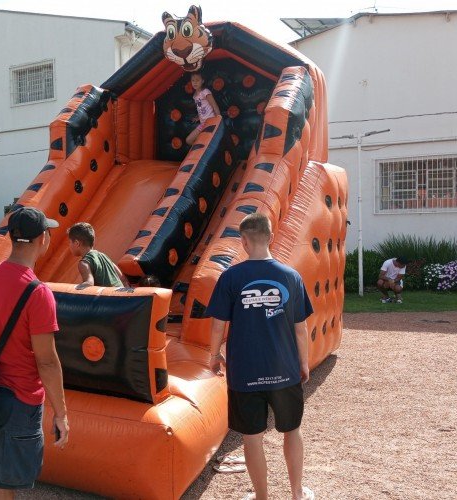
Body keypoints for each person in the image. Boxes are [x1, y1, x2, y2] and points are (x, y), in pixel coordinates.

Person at [206, 213, 315, 500]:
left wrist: (214, 354)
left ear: (243, 241)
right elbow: (300, 329)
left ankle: (262, 497)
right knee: (292, 431)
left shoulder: (230, 277)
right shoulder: (291, 276)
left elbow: (218, 324)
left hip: (244, 373)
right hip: (284, 370)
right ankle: (296, 494)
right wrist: (303, 363)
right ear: (271, 236)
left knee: (252, 438)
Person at [0, 207, 69, 499]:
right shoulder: (38, 293)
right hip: (20, 398)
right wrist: (61, 413)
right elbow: (47, 361)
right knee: (6, 484)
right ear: (43, 238)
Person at [67, 222, 130, 287]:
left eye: (70, 242)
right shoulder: (104, 256)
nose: (69, 245)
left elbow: (89, 283)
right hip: (121, 293)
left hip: (109, 296)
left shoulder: (84, 263)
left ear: (77, 243)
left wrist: (73, 290)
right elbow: (123, 279)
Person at [186, 71, 221, 146]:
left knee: (210, 141)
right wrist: (198, 117)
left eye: (197, 80)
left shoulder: (205, 92)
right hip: (203, 123)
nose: (195, 83)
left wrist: (218, 120)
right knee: (189, 140)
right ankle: (201, 152)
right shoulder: (195, 96)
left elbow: (214, 105)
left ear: (202, 81)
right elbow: (200, 108)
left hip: (211, 121)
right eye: (193, 80)